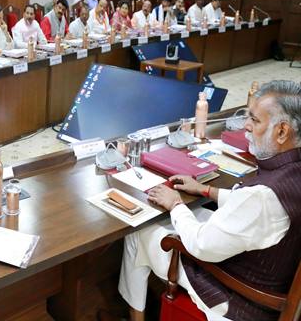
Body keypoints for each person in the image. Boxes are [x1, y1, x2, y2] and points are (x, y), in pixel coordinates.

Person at [119, 80, 301, 321]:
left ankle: (135, 316)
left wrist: (176, 204)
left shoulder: (262, 197)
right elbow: (250, 208)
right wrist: (206, 191)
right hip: (270, 273)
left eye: (255, 120)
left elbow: (201, 245)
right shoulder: (289, 172)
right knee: (190, 216)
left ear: (282, 132)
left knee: (140, 230)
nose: (246, 126)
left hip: (237, 297)